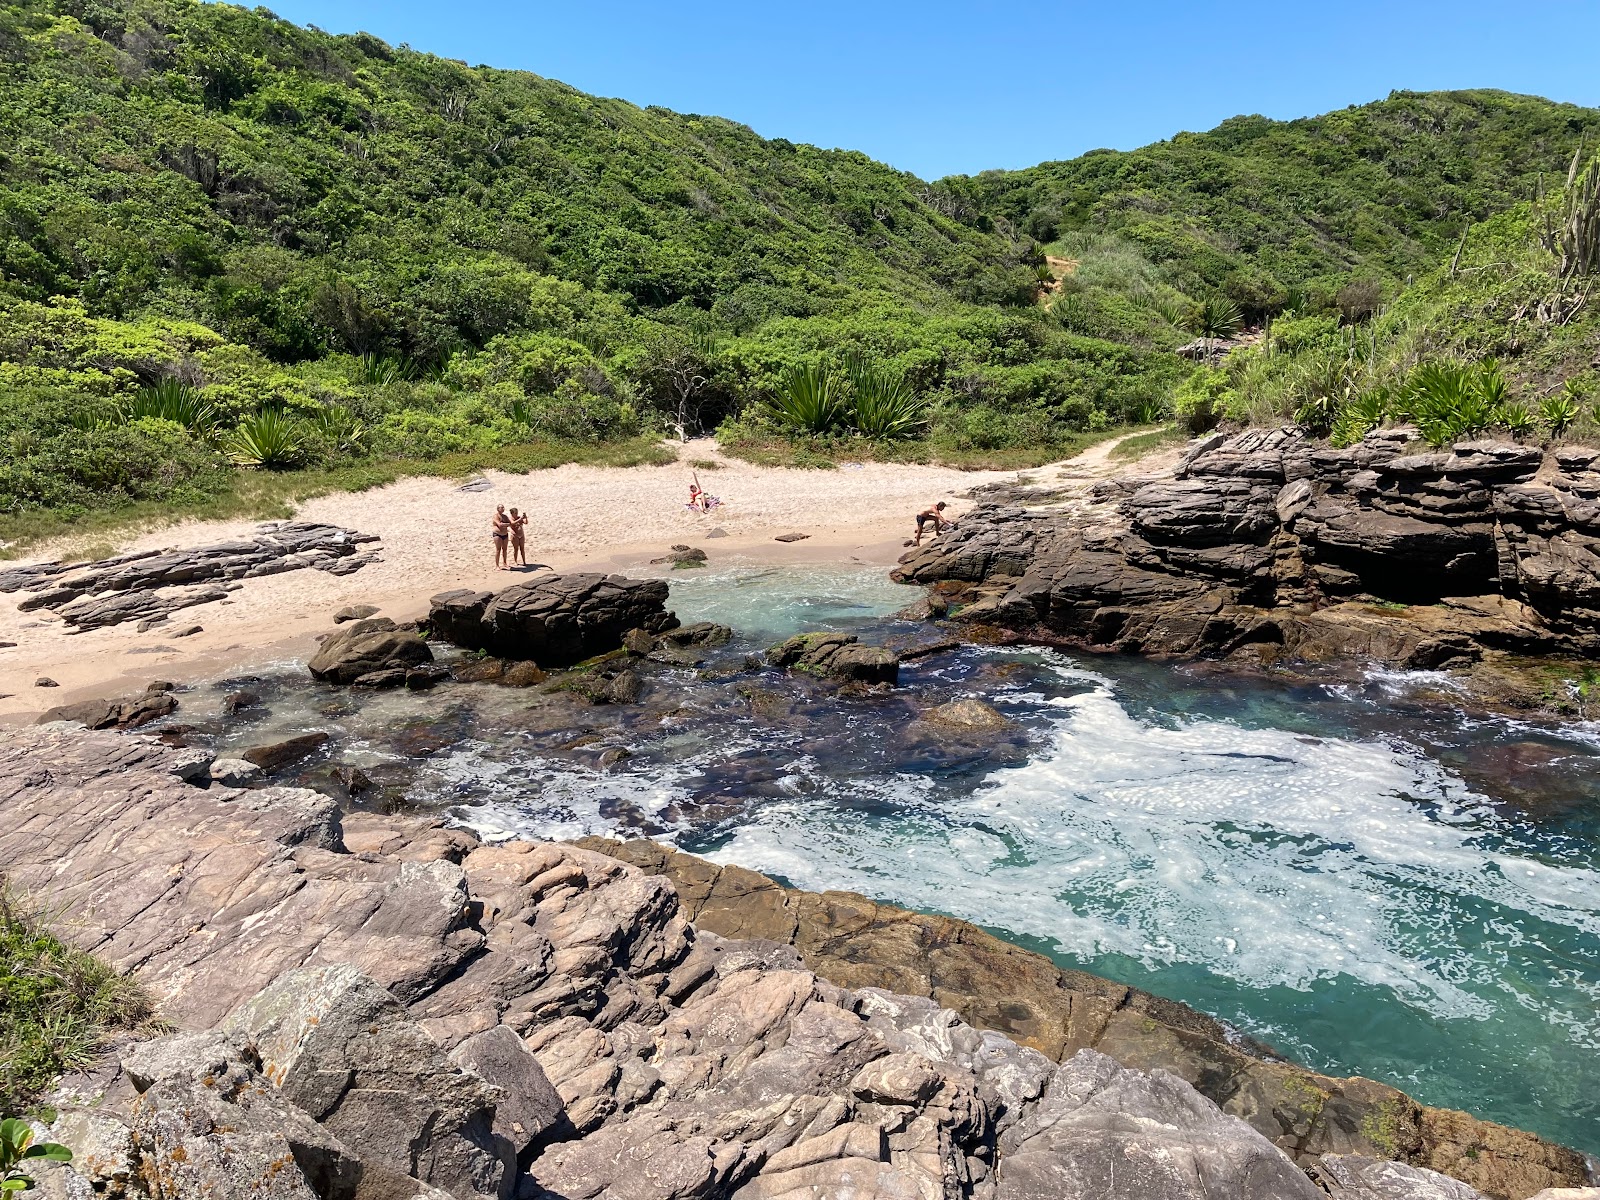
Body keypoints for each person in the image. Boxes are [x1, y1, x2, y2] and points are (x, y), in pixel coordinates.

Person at [491, 504, 510, 570]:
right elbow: (499, 524)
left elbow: (510, 523)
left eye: (503, 507)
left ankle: (505, 563)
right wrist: (506, 524)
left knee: (505, 549)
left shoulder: (505, 516)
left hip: (505, 534)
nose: (502, 508)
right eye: (501, 507)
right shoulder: (495, 516)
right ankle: (497, 565)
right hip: (497, 534)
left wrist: (505, 524)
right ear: (498, 509)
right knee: (498, 550)